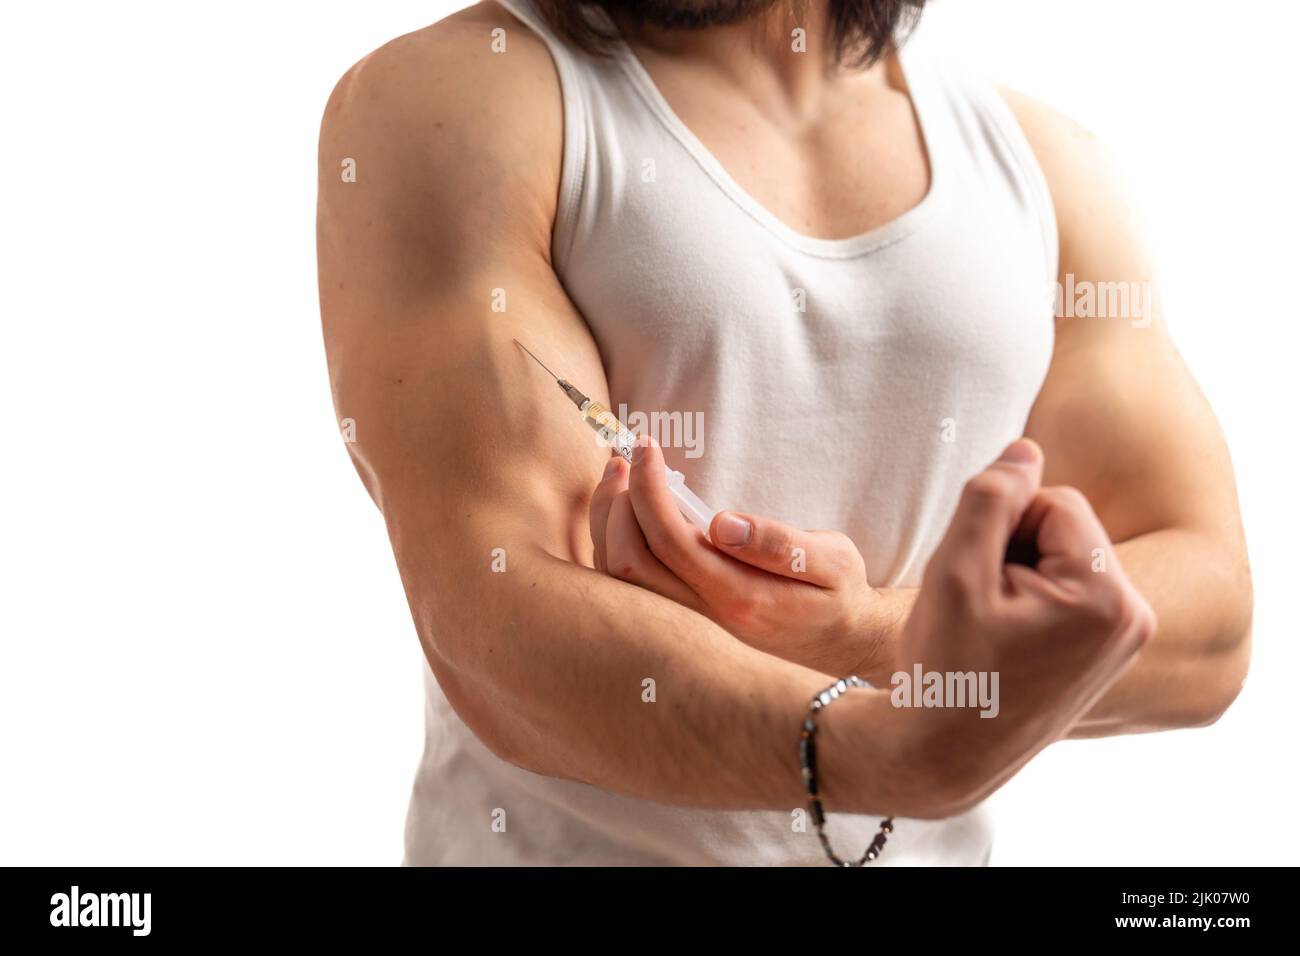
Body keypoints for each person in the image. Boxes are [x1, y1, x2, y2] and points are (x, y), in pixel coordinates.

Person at [315, 0, 1251, 865]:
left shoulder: (1042, 161)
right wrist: (873, 751)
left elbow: (1210, 627)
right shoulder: (460, 101)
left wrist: (869, 635)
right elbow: (497, 616)